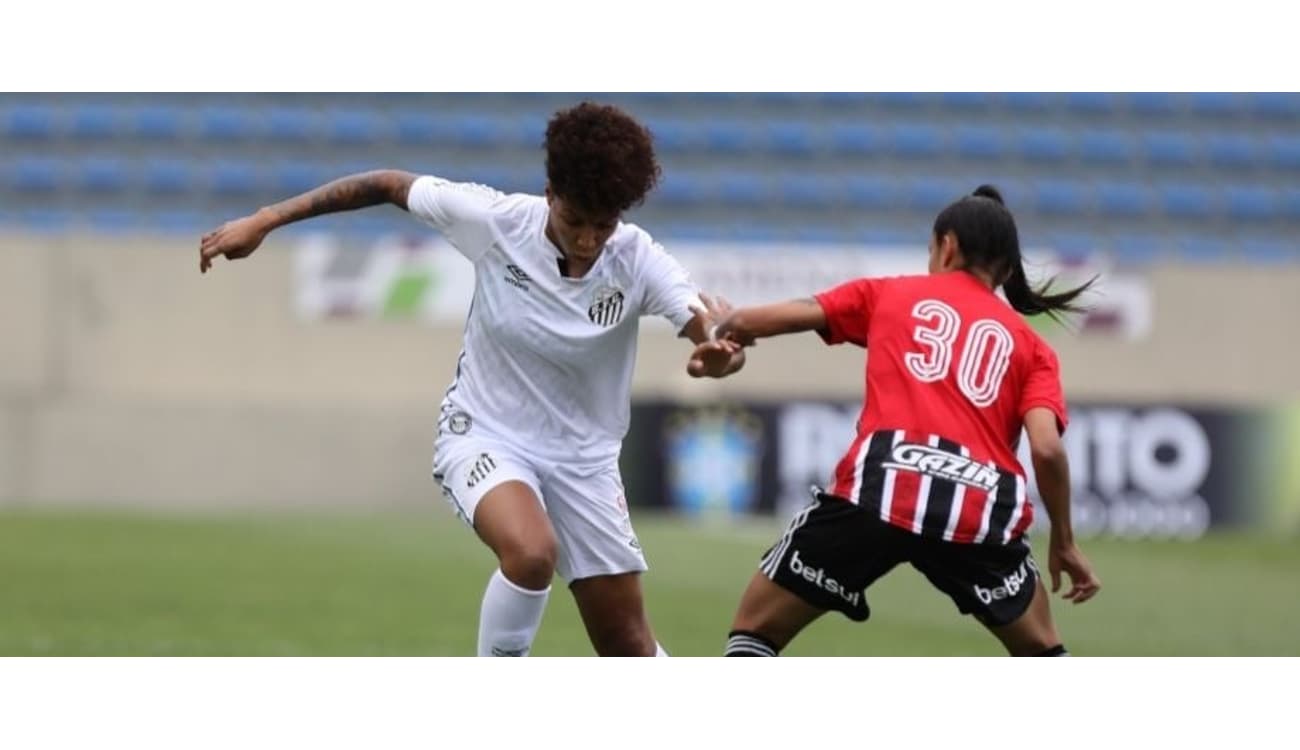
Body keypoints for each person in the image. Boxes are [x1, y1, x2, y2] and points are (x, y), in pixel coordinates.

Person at [198, 101, 744, 657]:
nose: (586, 240)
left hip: (585, 463)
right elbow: (387, 183)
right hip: (485, 433)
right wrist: (265, 219)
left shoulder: (637, 259)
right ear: (551, 193)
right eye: (575, 220)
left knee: (628, 647)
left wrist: (719, 350)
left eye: (602, 226)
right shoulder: (495, 220)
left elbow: (704, 323)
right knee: (531, 554)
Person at [688, 185, 1101, 656]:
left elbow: (779, 317)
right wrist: (1064, 542)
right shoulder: (1034, 350)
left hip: (881, 489)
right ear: (1006, 271)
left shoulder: (889, 294)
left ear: (947, 245)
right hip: (976, 507)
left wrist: (725, 325)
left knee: (755, 632)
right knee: (1043, 650)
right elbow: (1046, 449)